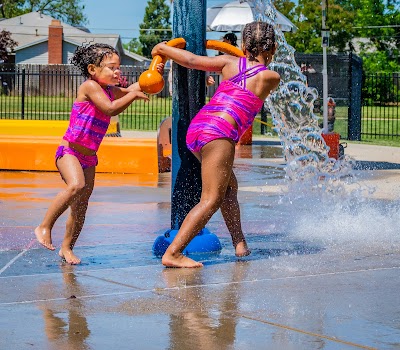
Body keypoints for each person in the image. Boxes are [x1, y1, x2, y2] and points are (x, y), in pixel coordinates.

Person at [152, 21, 280, 268]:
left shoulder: (228, 63)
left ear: (244, 45)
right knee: (211, 199)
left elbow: (190, 60)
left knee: (229, 188)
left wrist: (164, 49)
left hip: (200, 127)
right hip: (220, 133)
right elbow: (259, 76)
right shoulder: (270, 77)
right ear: (273, 47)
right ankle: (174, 253)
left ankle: (239, 244)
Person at [34, 43, 149, 264]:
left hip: (89, 157)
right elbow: (110, 108)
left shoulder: (108, 89)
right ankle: (44, 226)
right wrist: (133, 95)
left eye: (119, 67)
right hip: (70, 152)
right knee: (76, 186)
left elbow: (136, 87)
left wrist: (153, 73)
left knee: (81, 205)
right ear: (92, 69)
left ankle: (66, 248)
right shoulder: (90, 87)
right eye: (111, 67)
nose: (117, 72)